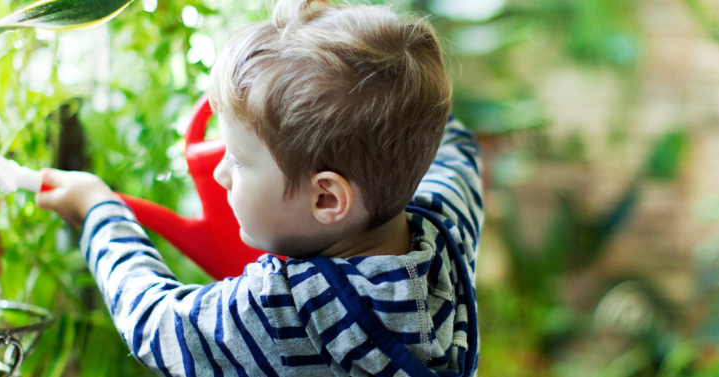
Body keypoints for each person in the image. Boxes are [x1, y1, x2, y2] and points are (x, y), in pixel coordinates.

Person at [36, 0, 482, 375]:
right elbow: (452, 146)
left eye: (238, 159)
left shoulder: (287, 313)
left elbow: (158, 326)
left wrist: (98, 211)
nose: (220, 174)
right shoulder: (448, 231)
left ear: (326, 198)